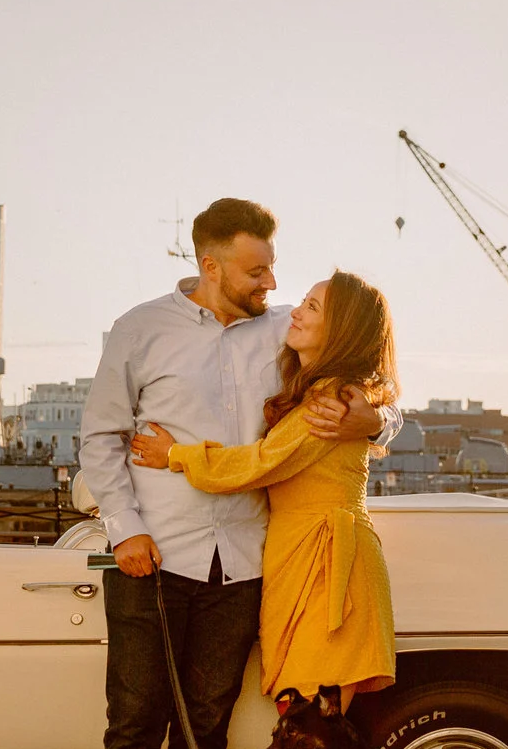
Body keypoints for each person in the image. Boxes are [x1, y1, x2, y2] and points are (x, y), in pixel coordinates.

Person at [75, 199, 396, 749]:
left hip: (246, 564)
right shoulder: (140, 328)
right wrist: (128, 530)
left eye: (274, 269)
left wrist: (372, 423)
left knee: (204, 740)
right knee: (133, 730)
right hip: (152, 559)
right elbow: (99, 436)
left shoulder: (285, 330)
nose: (272, 282)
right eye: (257, 270)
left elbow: (371, 375)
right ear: (211, 265)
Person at [130, 271, 398, 710]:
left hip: (328, 564)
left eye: (312, 307)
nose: (295, 310)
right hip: (300, 557)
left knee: (310, 726)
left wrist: (177, 454)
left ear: (342, 330)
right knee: (303, 717)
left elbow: (260, 462)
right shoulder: (320, 387)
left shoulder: (333, 399)